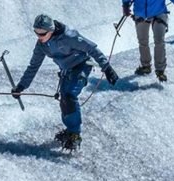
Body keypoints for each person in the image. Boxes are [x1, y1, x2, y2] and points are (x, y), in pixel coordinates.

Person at [11, 14, 119, 150]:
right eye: (36, 33)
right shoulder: (41, 45)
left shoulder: (69, 37)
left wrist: (107, 68)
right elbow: (33, 66)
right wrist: (21, 86)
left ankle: (75, 134)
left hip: (81, 66)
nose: (39, 37)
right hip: (66, 71)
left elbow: (91, 48)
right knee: (64, 100)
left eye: (42, 34)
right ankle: (70, 130)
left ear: (50, 30)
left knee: (69, 95)